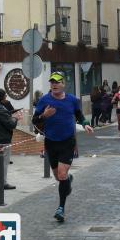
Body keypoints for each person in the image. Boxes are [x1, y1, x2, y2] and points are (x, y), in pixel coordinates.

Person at [34, 71, 94, 222]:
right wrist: (43, 116)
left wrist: (85, 124)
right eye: (52, 82)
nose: (54, 84)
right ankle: (68, 180)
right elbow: (35, 120)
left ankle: (61, 208)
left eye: (57, 82)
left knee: (61, 175)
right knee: (59, 177)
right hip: (51, 142)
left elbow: (79, 115)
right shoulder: (44, 100)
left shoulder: (72, 100)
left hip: (67, 142)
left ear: (63, 84)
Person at [0, 89, 22, 190]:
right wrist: (15, 118)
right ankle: (2, 182)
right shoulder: (0, 109)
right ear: (3, 97)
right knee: (3, 162)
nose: (6, 97)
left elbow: (0, 117)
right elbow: (11, 125)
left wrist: (9, 113)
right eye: (5, 96)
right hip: (2, 139)